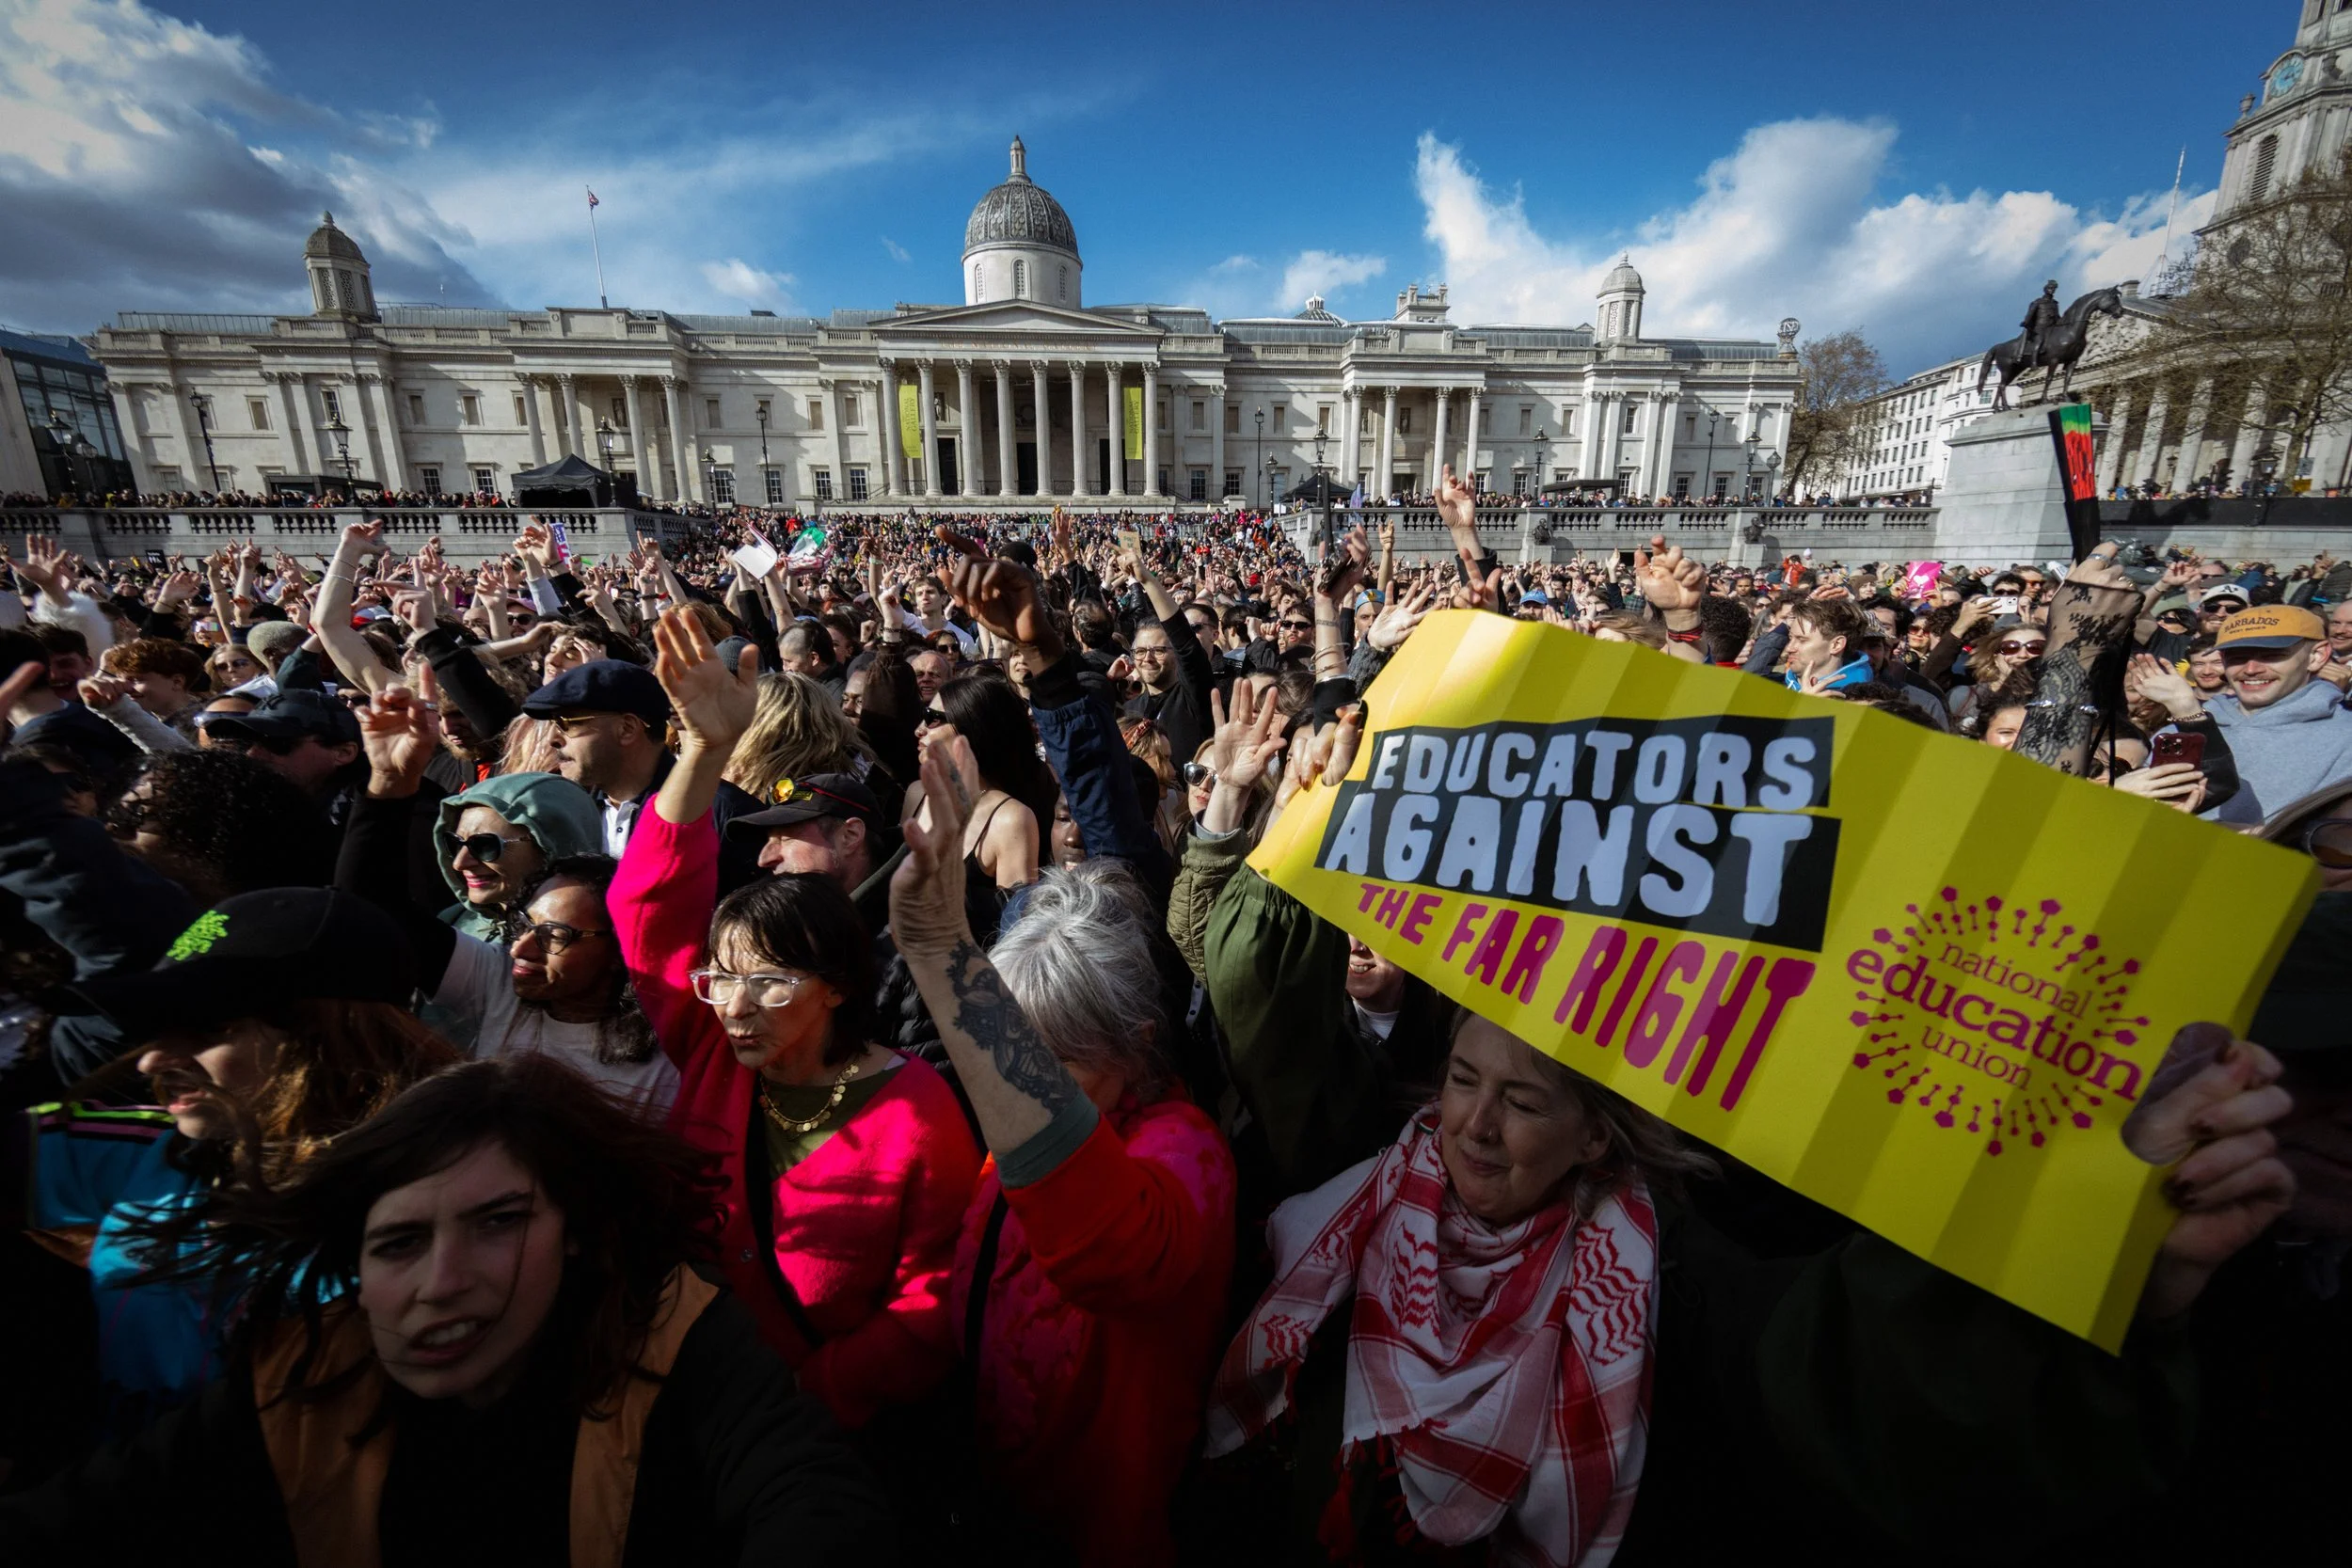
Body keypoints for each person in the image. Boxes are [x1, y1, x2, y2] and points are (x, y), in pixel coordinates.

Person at [0, 1054, 890, 1562]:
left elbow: (811, 1503)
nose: (442, 1280)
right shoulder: (298, 1380)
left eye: (499, 1222)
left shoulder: (676, 1338)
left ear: (575, 1228)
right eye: (398, 1244)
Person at [609, 608, 979, 1429]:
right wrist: (703, 753)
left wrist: (804, 1402)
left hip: (828, 1429)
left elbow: (931, 1300)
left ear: (839, 988)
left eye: (770, 982)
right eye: (722, 978)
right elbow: (647, 911)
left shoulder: (917, 1111)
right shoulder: (714, 1043)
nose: (735, 1006)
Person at [890, 735, 1236, 1567]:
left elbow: (1109, 1251)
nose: (1022, 1085)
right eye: (1018, 1047)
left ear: (1134, 1044)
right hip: (994, 1497)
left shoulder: (1185, 1152)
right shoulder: (1006, 1143)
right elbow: (969, 1288)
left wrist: (943, 950)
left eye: (1058, 1061)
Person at [3, 888, 458, 1456]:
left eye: (207, 1030)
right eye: (158, 1027)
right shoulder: (151, 1149)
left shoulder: (416, 1229)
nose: (150, 1061)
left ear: (329, 1039)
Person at [2172, 605, 2352, 824]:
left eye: (2271, 655)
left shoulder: (2345, 739)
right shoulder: (2184, 725)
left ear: (2316, 656)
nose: (2251, 669)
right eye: (2237, 657)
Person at [431, 768, 605, 939]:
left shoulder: (600, 942)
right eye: (455, 843)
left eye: (484, 845)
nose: (459, 863)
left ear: (551, 847)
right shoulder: (452, 925)